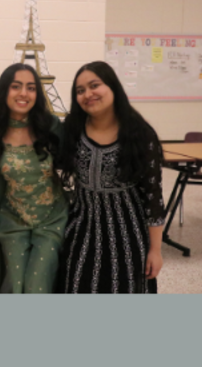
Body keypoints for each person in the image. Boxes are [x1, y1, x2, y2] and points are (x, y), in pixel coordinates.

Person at [59, 61, 166, 292]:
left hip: (128, 237)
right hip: (81, 232)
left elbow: (153, 197)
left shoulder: (140, 134)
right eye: (80, 91)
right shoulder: (72, 129)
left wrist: (155, 250)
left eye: (94, 85)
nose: (88, 94)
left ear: (113, 87)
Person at [0, 63, 68, 293]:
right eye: (16, 86)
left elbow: (75, 158)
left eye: (30, 88)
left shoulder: (51, 127)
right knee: (15, 285)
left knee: (36, 284)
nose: (23, 94)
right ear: (4, 91)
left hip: (51, 220)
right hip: (13, 222)